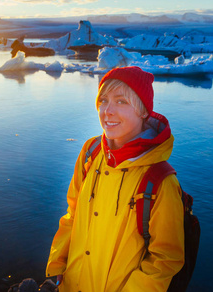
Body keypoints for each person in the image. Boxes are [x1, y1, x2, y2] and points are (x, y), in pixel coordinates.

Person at [46, 66, 185, 291]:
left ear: (143, 111)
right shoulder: (91, 152)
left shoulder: (159, 182)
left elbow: (164, 260)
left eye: (121, 101)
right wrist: (59, 265)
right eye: (103, 100)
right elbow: (73, 215)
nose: (107, 111)